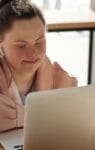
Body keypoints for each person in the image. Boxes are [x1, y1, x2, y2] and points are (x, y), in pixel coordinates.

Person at [0, 0, 77, 132]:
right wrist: (43, 116)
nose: (32, 53)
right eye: (21, 45)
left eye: (39, 42)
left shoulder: (60, 80)